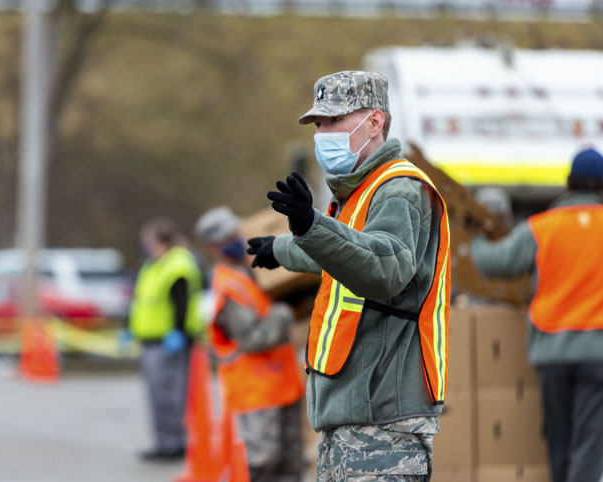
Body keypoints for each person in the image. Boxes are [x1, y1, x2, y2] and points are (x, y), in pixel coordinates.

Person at [247, 71, 451, 480]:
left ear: (374, 122)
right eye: (318, 125)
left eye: (333, 122)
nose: (323, 134)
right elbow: (342, 254)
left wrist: (310, 227)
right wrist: (283, 249)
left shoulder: (398, 190)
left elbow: (384, 267)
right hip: (356, 416)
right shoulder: (360, 190)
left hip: (383, 421)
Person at [471, 147, 603, 482]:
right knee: (588, 442)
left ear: (569, 185)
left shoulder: (542, 227)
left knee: (558, 441)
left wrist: (478, 239)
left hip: (551, 351)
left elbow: (494, 263)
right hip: (597, 352)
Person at [194, 206, 305, 482]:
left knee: (290, 468)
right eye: (228, 237)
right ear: (213, 247)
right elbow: (255, 339)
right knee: (260, 466)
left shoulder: (252, 274)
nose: (237, 239)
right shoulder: (228, 287)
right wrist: (284, 311)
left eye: (236, 232)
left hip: (283, 387)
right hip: (256, 395)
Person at [128, 217, 204, 461]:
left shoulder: (176, 266)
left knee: (168, 395)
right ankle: (165, 442)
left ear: (160, 240)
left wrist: (178, 332)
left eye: (149, 239)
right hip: (152, 340)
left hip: (167, 342)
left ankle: (173, 444)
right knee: (158, 396)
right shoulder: (156, 265)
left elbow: (180, 303)